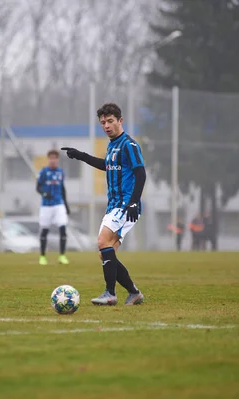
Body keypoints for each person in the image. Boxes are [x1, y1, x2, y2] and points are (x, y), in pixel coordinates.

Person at [61, 103, 145, 306]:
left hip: (125, 205)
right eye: (103, 123)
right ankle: (134, 293)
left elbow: (140, 173)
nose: (106, 126)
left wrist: (133, 203)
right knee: (105, 252)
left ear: (120, 121)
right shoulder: (112, 145)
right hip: (114, 204)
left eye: (110, 121)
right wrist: (80, 155)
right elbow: (105, 165)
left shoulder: (129, 145)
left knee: (102, 242)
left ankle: (110, 293)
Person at [36, 150, 70, 265]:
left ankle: (62, 256)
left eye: (55, 158)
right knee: (44, 230)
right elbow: (38, 187)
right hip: (46, 206)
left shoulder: (61, 172)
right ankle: (42, 256)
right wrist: (45, 194)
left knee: (63, 228)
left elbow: (63, 189)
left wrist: (66, 204)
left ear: (58, 159)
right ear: (48, 159)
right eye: (51, 158)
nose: (53, 160)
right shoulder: (43, 172)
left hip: (59, 204)